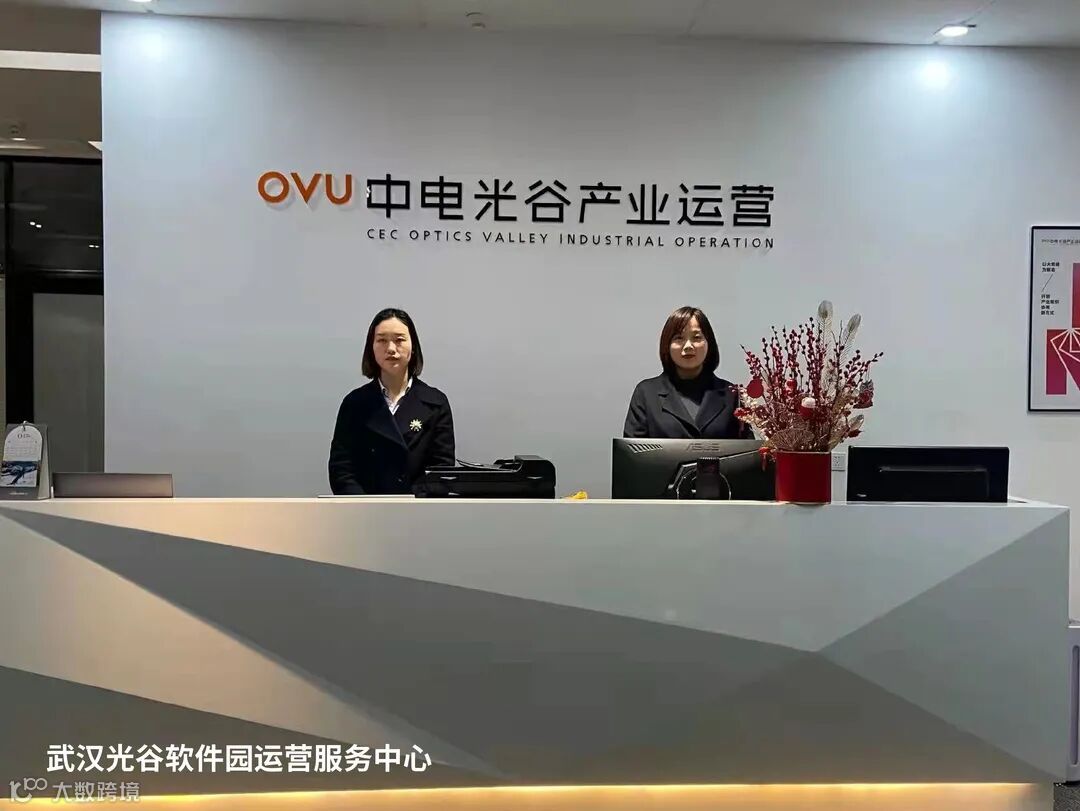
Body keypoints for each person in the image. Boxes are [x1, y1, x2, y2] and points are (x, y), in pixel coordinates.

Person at [328, 308, 455, 494]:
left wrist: (408, 504)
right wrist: (364, 505)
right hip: (364, 508)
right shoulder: (354, 404)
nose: (391, 349)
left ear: (413, 346)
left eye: (399, 340)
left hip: (418, 507)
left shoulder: (435, 403)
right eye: (381, 340)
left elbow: (442, 471)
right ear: (371, 347)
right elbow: (341, 470)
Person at [623, 306, 749, 439]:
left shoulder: (732, 394)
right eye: (679, 338)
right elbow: (632, 449)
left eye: (696, 338)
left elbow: (747, 449)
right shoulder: (646, 393)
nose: (688, 346)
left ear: (709, 343)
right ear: (667, 345)